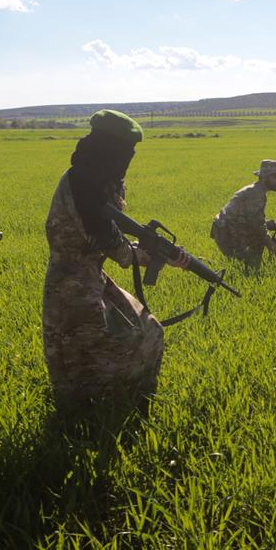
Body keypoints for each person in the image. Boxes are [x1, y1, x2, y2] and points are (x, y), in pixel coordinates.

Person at [43, 110, 190, 413]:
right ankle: (88, 421)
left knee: (149, 332)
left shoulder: (98, 178)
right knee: (89, 359)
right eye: (125, 151)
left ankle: (136, 406)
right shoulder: (81, 186)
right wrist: (151, 255)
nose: (128, 159)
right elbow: (115, 246)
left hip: (92, 277)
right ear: (108, 148)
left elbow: (119, 231)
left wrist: (162, 252)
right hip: (72, 288)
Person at [211, 159, 276, 268]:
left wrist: (274, 225)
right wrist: (271, 245)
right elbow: (257, 225)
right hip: (227, 232)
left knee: (250, 261)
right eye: (275, 177)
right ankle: (205, 265)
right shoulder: (254, 193)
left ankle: (253, 262)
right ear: (265, 177)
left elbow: (255, 220)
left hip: (232, 229)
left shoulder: (258, 191)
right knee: (243, 265)